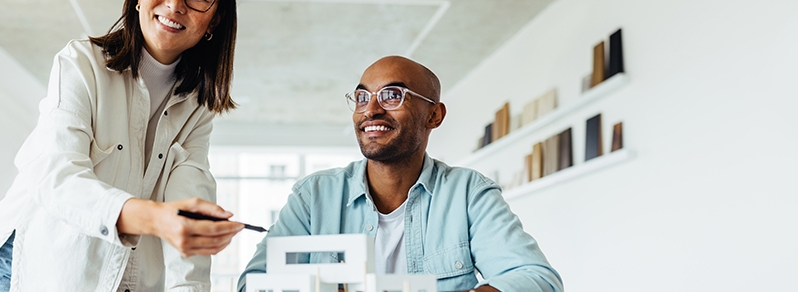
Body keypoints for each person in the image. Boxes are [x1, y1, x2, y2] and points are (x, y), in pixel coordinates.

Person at [0, 0, 245, 291]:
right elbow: (57, 177)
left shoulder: (198, 108)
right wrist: (155, 219)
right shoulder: (80, 63)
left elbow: (186, 210)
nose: (175, 3)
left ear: (214, 20)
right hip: (22, 263)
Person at [237, 56, 563, 292]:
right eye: (362, 97)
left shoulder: (468, 193)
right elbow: (252, 284)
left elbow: (536, 278)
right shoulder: (314, 197)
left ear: (434, 115)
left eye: (393, 95)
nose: (371, 110)